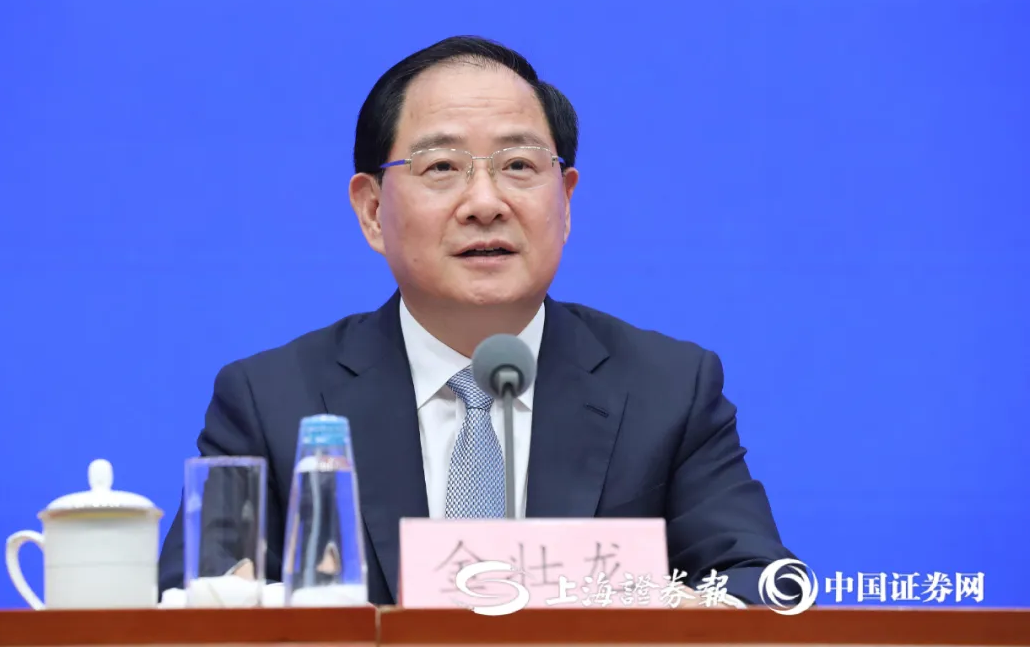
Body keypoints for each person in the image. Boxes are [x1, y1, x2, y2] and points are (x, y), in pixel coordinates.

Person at [157, 35, 800, 606]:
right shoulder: (273, 402)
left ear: (566, 201)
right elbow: (189, 604)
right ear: (373, 211)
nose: (485, 203)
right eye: (442, 167)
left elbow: (765, 587)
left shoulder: (668, 388)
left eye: (519, 166)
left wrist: (678, 608)